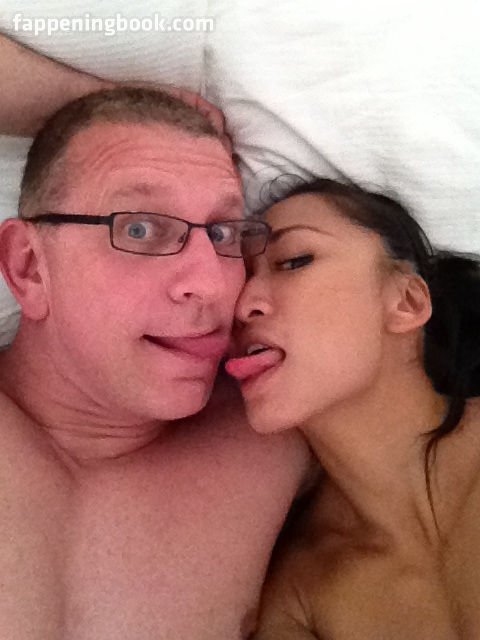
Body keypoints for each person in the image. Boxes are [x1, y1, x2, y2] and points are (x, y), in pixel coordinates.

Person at [0, 85, 310, 639]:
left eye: (224, 234)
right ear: (28, 267)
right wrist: (93, 95)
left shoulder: (285, 427)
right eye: (140, 228)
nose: (212, 285)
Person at [226, 178, 480, 639]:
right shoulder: (299, 594)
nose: (242, 305)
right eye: (239, 279)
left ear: (406, 302)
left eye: (294, 261)